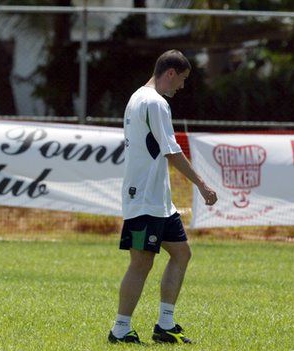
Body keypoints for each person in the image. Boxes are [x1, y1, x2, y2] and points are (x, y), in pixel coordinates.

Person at [108, 50, 217, 344]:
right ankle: (120, 329)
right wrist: (202, 184)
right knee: (141, 263)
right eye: (181, 80)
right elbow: (171, 151)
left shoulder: (137, 97)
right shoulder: (155, 103)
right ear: (170, 73)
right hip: (144, 198)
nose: (180, 87)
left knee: (181, 253)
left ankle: (165, 325)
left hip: (159, 201)